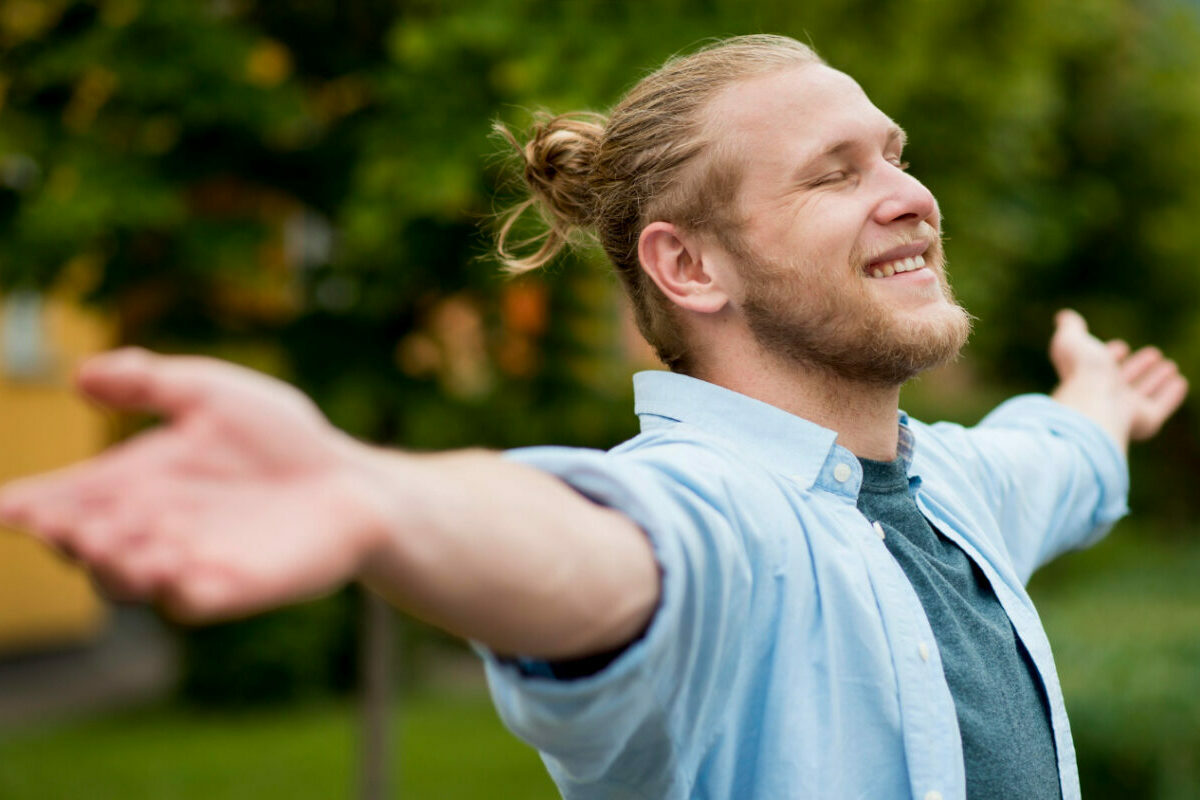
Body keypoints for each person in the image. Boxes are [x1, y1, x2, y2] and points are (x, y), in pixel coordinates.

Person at [0, 34, 1188, 800]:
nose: (912, 197)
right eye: (837, 174)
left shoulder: (951, 491)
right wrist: (375, 494)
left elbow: (1055, 458)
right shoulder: (725, 516)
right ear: (689, 266)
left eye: (894, 154)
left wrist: (1096, 402)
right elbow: (605, 547)